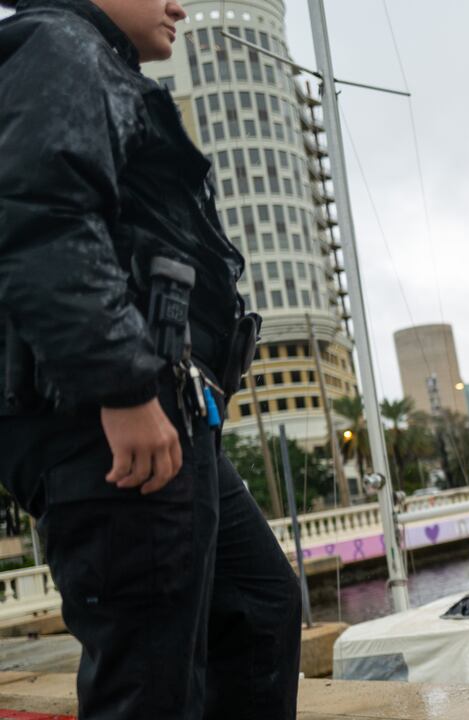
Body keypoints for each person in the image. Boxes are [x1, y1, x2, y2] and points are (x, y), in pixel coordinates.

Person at [0, 1, 301, 717]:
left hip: (171, 410)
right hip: (110, 422)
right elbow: (41, 214)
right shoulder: (58, 46)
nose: (179, 5)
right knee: (151, 682)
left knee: (258, 606)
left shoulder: (87, 59)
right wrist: (124, 386)